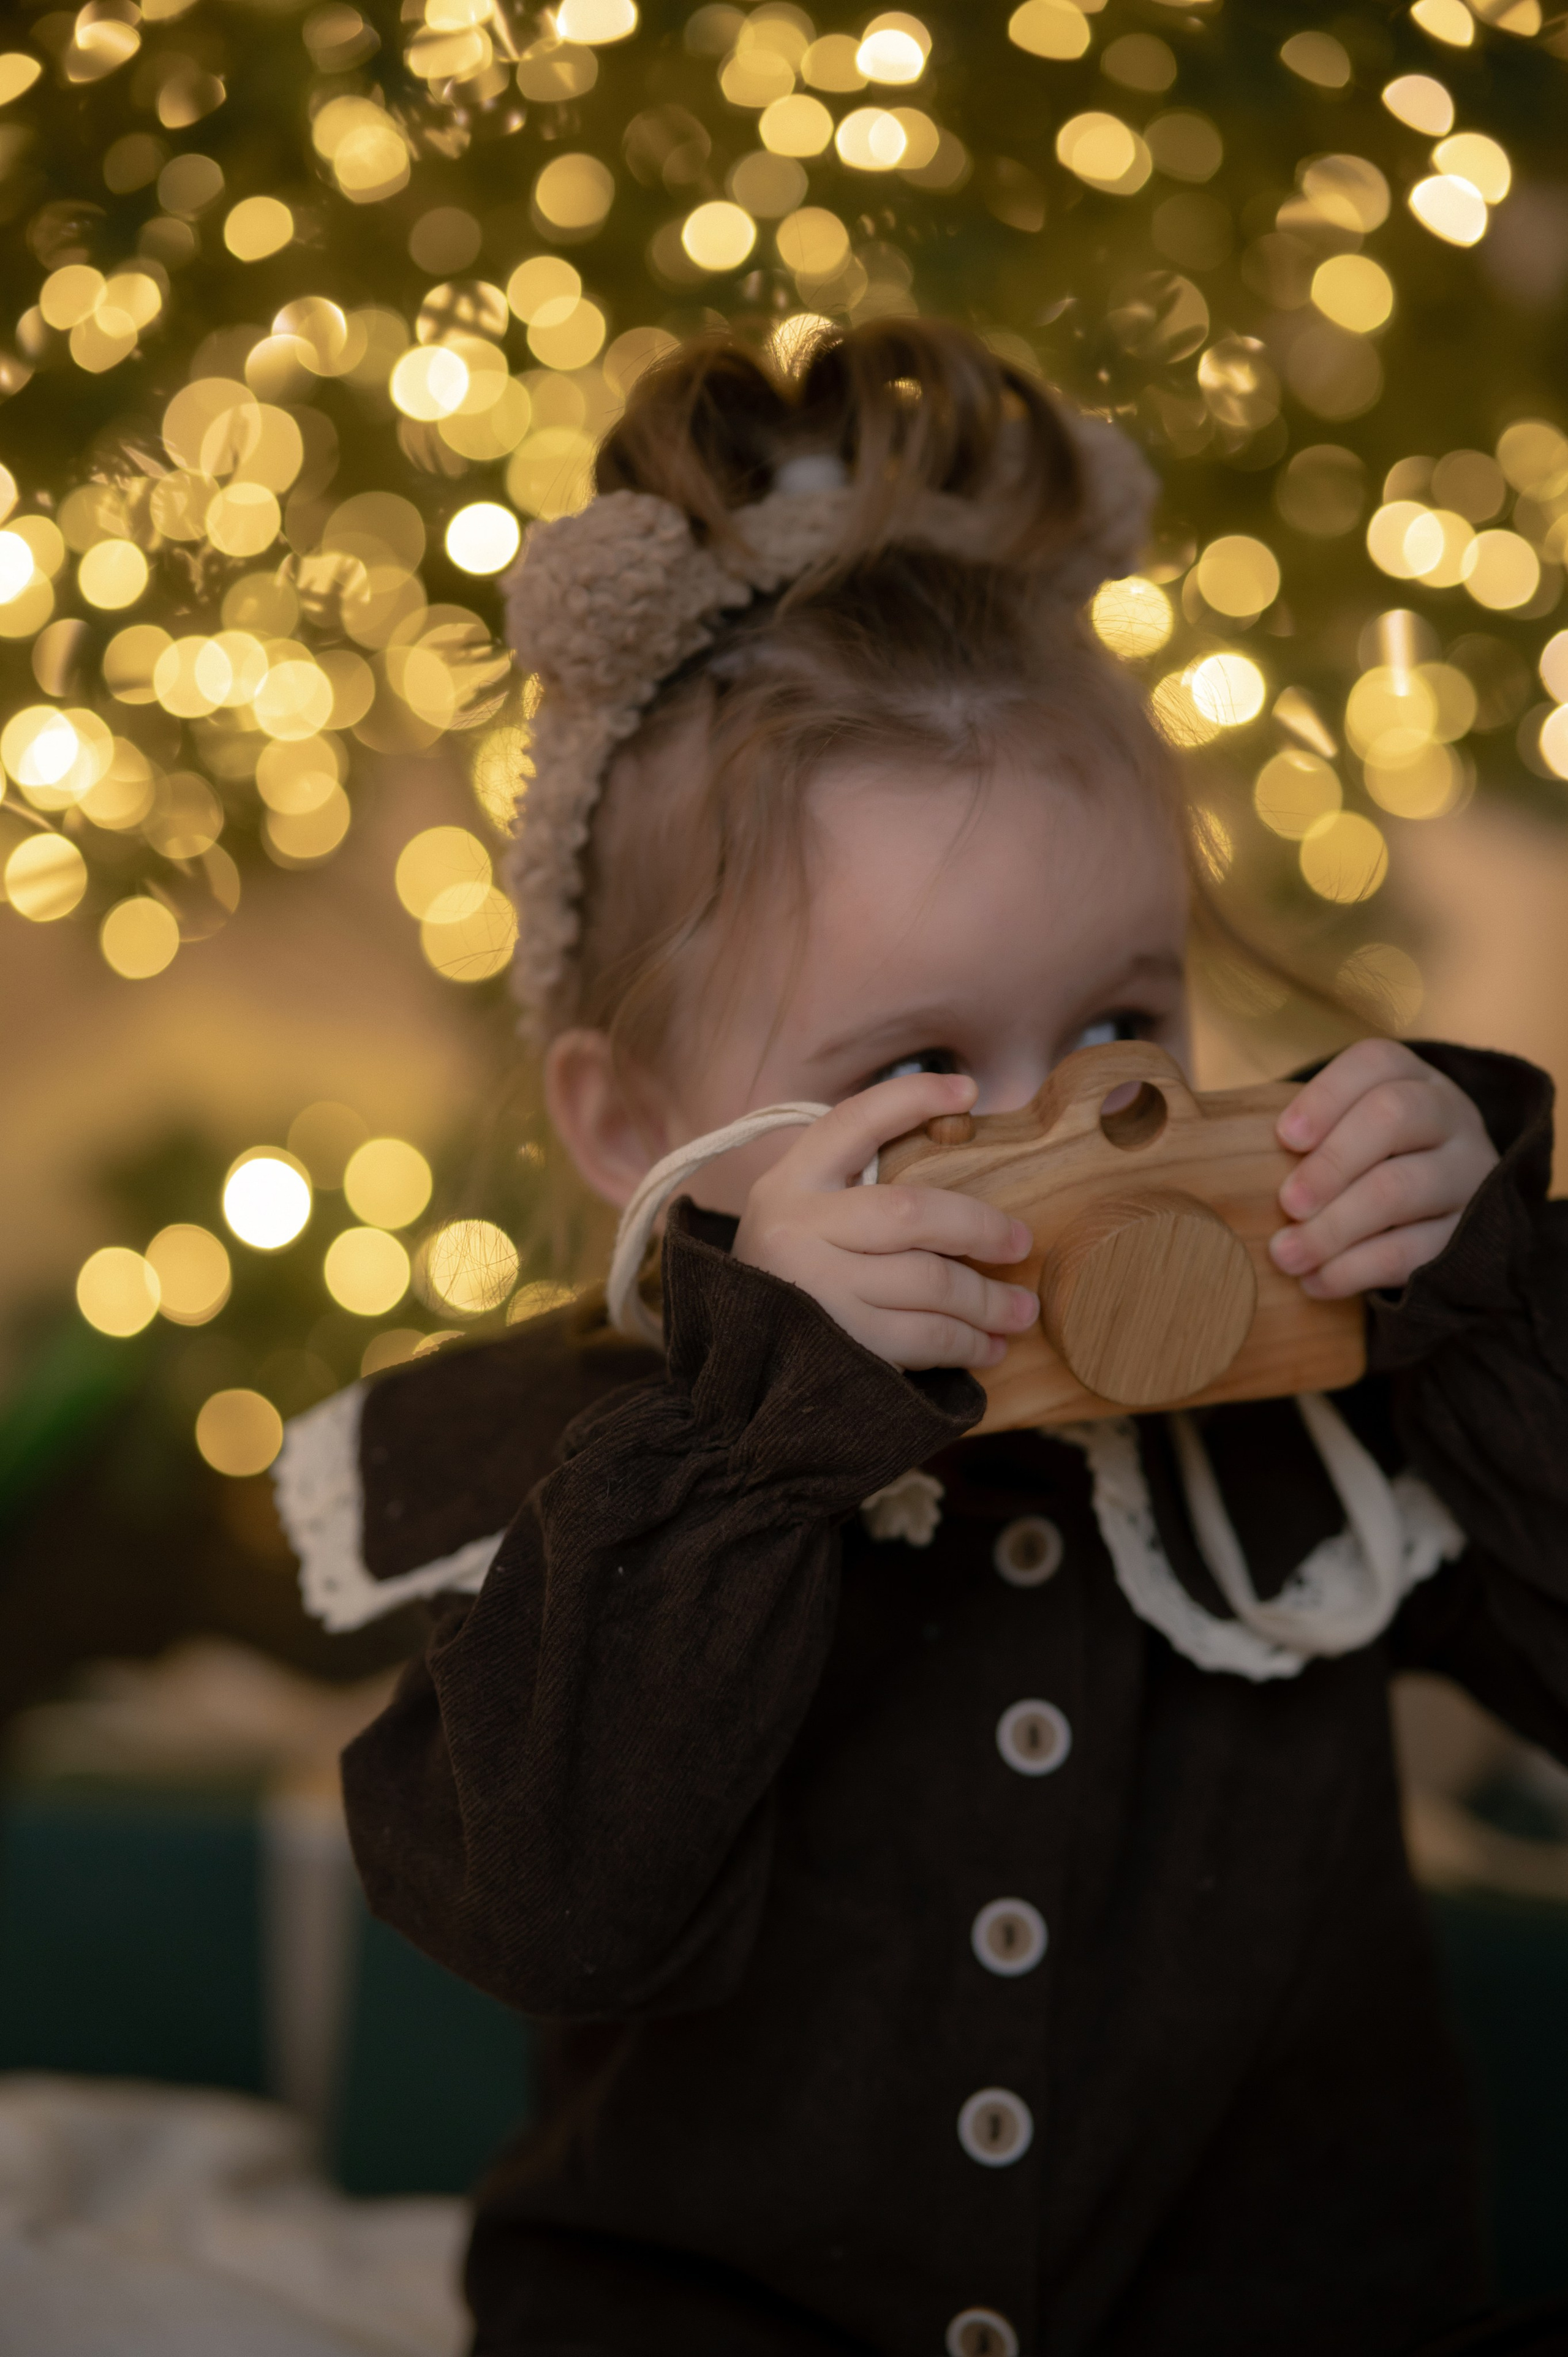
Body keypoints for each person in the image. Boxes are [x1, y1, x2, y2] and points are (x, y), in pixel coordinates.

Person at [276, 322, 1568, 2356]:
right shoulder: (614, 1480)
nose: (1072, 1129)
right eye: (923, 1075)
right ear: (643, 1135)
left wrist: (1485, 1296)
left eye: (1127, 1025)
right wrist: (767, 1433)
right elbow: (543, 1913)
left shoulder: (1321, 1394)